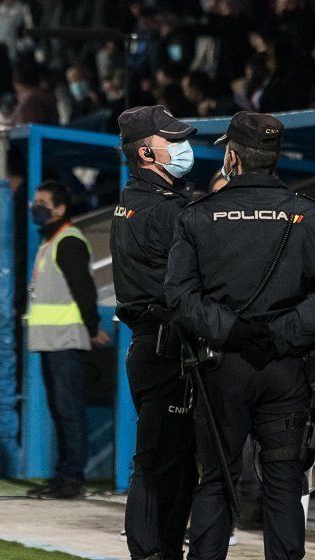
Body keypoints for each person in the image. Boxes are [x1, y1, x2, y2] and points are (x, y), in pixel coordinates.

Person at [165, 111, 315, 560]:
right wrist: (278, 335)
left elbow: (179, 295)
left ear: (231, 156)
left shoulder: (198, 217)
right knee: (284, 483)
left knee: (216, 480)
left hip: (221, 366)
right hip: (287, 369)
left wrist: (236, 332)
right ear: (275, 157)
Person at [109, 105, 199, 560]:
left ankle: (160, 551)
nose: (184, 147)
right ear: (146, 152)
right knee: (161, 461)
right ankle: (152, 553)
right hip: (167, 348)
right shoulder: (167, 210)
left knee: (170, 461)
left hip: (149, 344)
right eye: (173, 140)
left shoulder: (132, 200)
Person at [26, 180, 110, 499]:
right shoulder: (51, 240)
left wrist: (91, 327)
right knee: (60, 411)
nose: (37, 207)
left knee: (69, 410)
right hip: (51, 340)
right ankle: (63, 475)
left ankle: (72, 478)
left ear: (60, 209)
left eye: (43, 202)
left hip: (66, 340)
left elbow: (84, 289)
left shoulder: (68, 241)